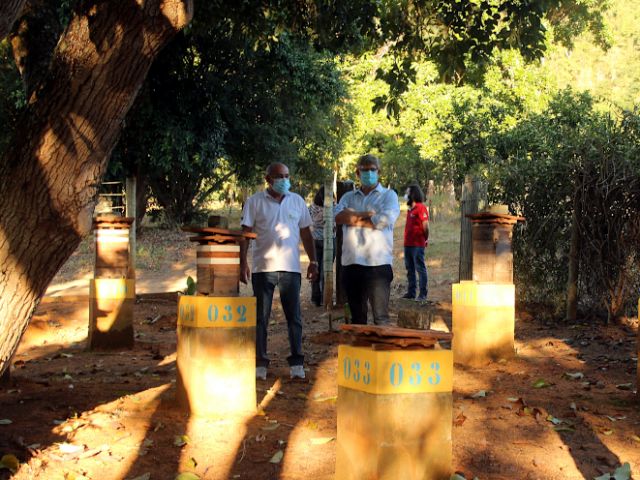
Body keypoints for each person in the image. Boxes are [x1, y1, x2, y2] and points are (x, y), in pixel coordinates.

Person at [240, 163, 319, 380]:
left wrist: (314, 261)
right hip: (262, 269)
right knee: (260, 319)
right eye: (279, 176)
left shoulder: (297, 201)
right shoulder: (254, 202)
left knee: (294, 317)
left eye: (287, 176)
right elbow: (245, 233)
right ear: (268, 179)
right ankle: (260, 364)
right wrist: (242, 263)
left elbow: (305, 232)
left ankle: (296, 364)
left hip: (290, 269)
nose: (284, 180)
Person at [334, 154, 400, 325]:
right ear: (357, 172)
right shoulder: (347, 197)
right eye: (364, 170)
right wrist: (368, 215)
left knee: (381, 318)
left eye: (373, 170)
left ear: (379, 172)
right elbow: (338, 218)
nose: (369, 173)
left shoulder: (389, 196)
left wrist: (352, 217)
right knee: (357, 318)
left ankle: (382, 352)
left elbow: (383, 222)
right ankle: (359, 352)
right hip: (351, 264)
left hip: (378, 265)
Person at [308, 186, 336, 307]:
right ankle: (327, 298)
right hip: (329, 241)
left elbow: (309, 223)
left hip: (315, 241)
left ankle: (315, 298)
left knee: (316, 269)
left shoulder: (312, 208)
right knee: (327, 271)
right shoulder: (333, 208)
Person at [401, 184, 429, 301]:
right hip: (408, 244)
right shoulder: (410, 210)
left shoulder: (421, 208)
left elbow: (425, 226)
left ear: (413, 194)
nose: (405, 195)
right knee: (410, 269)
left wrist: (425, 238)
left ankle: (422, 294)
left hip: (417, 245)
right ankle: (411, 292)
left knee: (420, 268)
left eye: (407, 193)